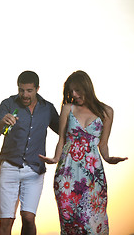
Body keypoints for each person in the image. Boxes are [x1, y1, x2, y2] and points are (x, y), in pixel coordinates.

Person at [39, 70, 128, 234]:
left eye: (78, 90)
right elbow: (62, 140)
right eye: (71, 91)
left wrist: (108, 158)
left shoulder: (107, 112)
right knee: (70, 221)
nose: (74, 94)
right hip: (66, 172)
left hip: (93, 174)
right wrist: (55, 158)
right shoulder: (67, 108)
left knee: (91, 221)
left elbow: (103, 144)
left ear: (87, 87)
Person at [0, 71, 59, 235]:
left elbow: (64, 131)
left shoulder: (47, 108)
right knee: (6, 222)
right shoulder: (8, 104)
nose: (24, 94)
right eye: (21, 90)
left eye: (29, 90)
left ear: (37, 89)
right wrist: (2, 122)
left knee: (28, 218)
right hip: (10, 167)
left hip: (35, 170)